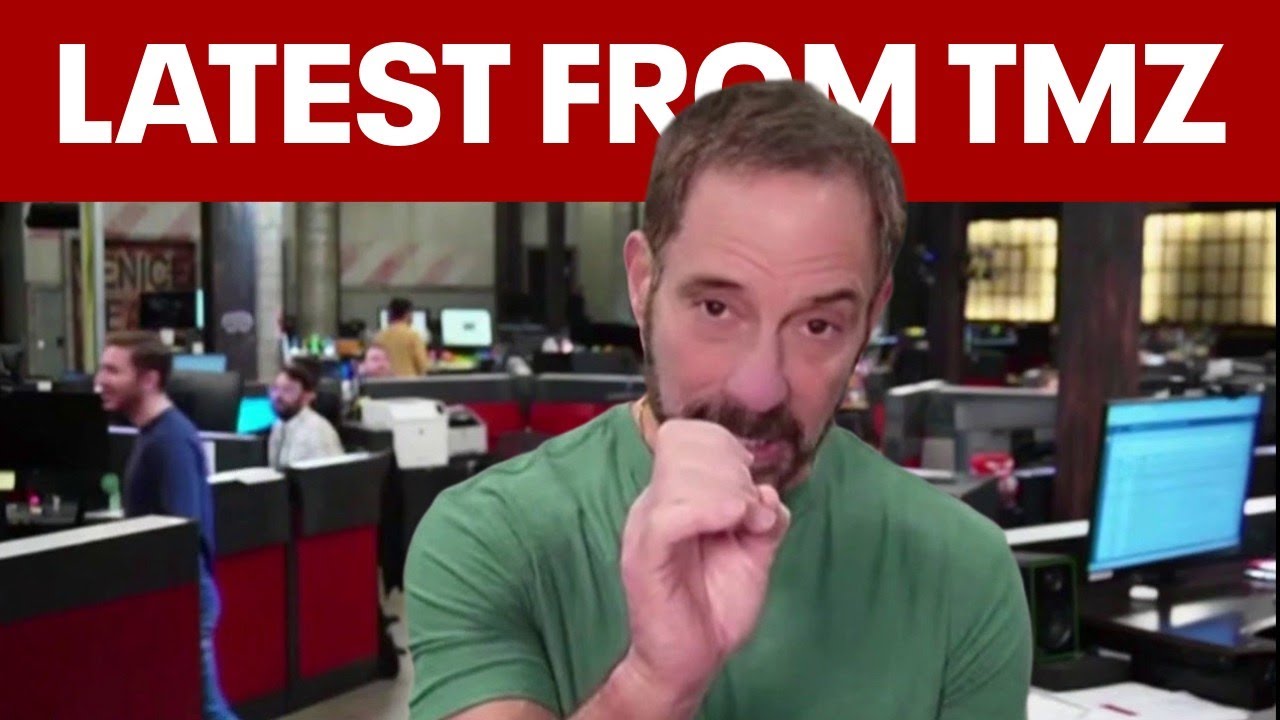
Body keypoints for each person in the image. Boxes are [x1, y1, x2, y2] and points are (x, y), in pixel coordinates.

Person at [405, 80, 1031, 720]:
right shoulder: (491, 538)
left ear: (870, 318)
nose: (759, 387)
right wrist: (652, 685)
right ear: (643, 285)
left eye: (818, 325)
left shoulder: (966, 571)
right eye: (715, 308)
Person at [95, 331, 239, 720]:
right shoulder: (154, 435)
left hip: (183, 595)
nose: (100, 381)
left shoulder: (169, 441)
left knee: (209, 709)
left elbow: (181, 532)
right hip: (174, 594)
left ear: (149, 379)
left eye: (113, 371)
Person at [267, 363, 345, 469]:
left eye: (288, 390)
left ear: (308, 397)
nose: (277, 396)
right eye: (275, 388)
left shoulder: (317, 432)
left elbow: (329, 477)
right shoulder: (279, 425)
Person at [375, 298, 430, 377]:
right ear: (407, 314)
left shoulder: (379, 336)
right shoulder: (413, 335)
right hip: (409, 382)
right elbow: (423, 366)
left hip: (386, 382)